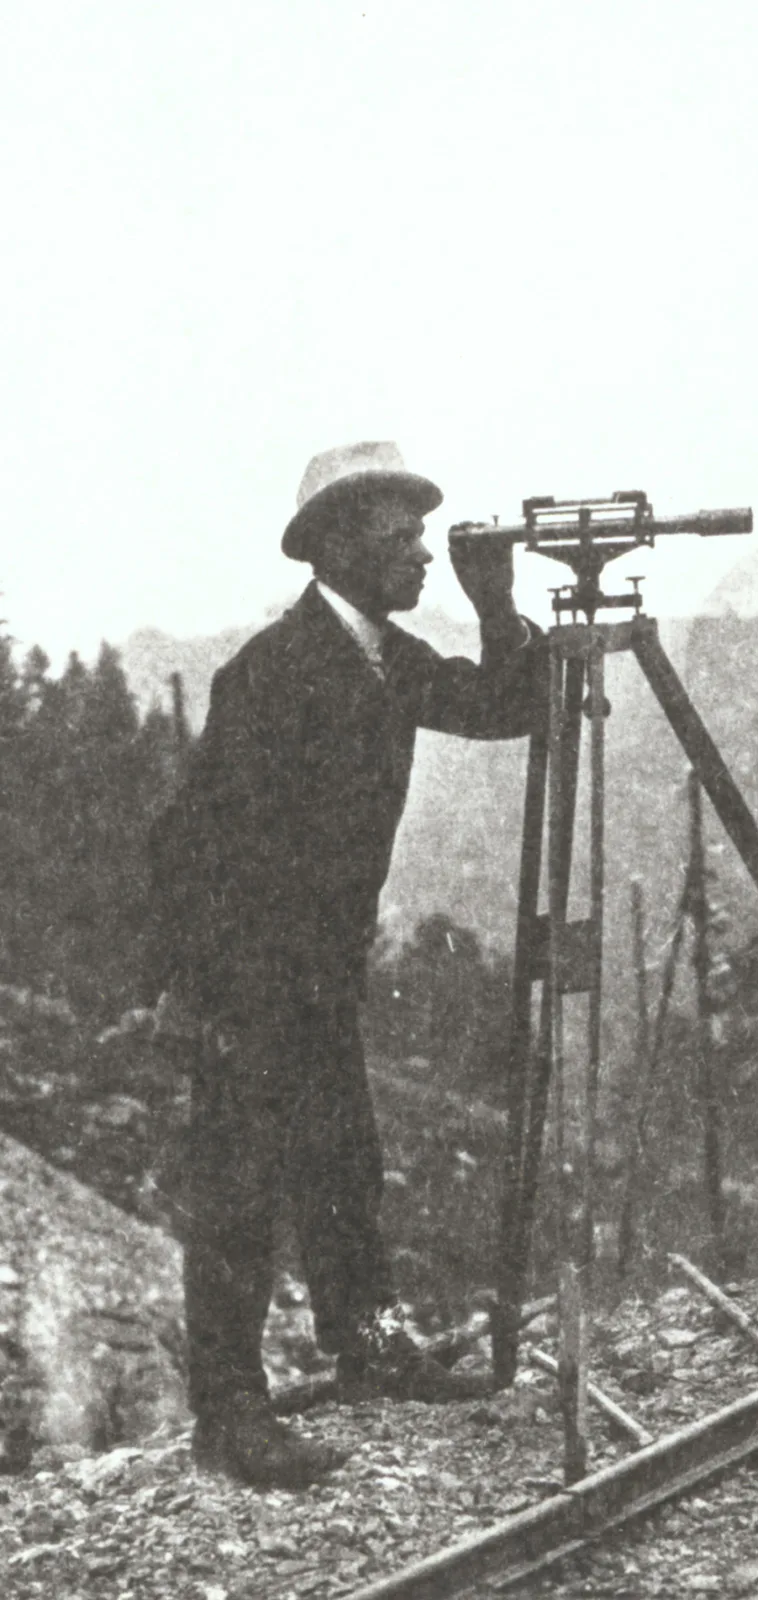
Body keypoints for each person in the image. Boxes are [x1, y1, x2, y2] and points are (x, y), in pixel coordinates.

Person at [147, 441, 541, 1490]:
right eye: (400, 534)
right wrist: (209, 993)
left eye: (422, 535)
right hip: (250, 975)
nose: (420, 553)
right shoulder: (271, 673)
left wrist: (494, 604)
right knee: (240, 1188)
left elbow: (505, 706)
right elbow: (194, 843)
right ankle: (230, 1414)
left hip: (318, 974)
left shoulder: (385, 655)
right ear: (335, 543)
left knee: (340, 1162)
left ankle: (363, 1343)